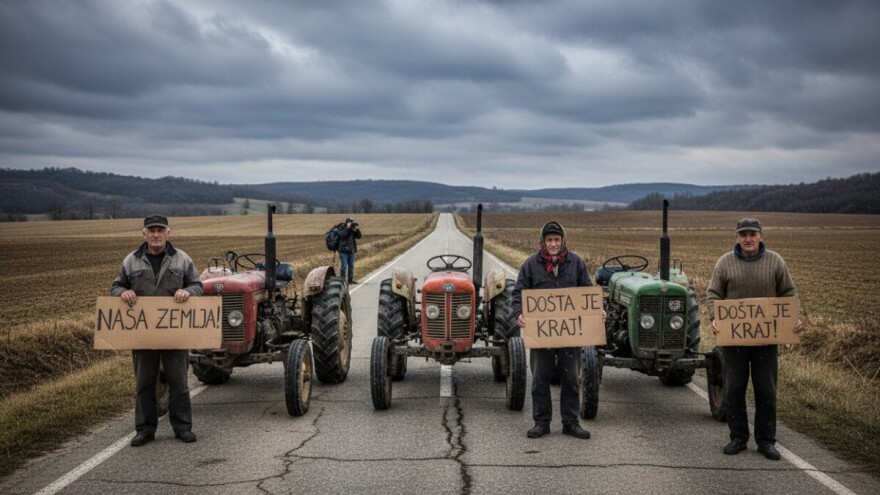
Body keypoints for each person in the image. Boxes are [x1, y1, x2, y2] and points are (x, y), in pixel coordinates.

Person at [707, 217, 804, 460]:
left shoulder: (775, 261)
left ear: (760, 236)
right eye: (743, 235)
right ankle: (738, 437)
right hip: (734, 341)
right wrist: (714, 318)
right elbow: (713, 294)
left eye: (752, 234)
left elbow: (789, 292)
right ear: (737, 238)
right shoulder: (725, 263)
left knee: (766, 390)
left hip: (766, 341)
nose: (748, 239)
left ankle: (766, 441)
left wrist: (793, 318)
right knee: (734, 389)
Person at [111, 215, 204, 447]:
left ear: (168, 234)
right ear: (144, 234)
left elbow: (197, 285)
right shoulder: (131, 261)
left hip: (175, 333)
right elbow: (116, 286)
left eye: (160, 231)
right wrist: (123, 293)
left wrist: (188, 293)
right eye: (151, 231)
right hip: (143, 334)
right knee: (144, 383)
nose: (156, 235)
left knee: (179, 382)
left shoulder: (181, 259)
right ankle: (144, 430)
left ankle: (183, 428)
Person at [511, 221, 602, 440]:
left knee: (570, 379)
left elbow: (588, 293)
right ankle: (541, 422)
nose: (553, 244)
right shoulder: (530, 265)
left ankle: (570, 423)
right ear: (542, 242)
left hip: (570, 334)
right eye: (549, 240)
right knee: (540, 379)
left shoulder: (576, 263)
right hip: (542, 334)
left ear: (563, 242)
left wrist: (598, 311)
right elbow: (517, 295)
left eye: (557, 240)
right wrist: (519, 314)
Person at [337, 217, 362, 284]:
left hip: (351, 251)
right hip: (343, 251)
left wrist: (357, 229)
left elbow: (359, 236)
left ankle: (350, 280)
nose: (351, 224)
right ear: (347, 222)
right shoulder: (341, 228)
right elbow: (341, 235)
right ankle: (342, 281)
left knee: (351, 266)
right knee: (344, 266)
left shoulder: (352, 229)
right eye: (350, 222)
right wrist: (347, 228)